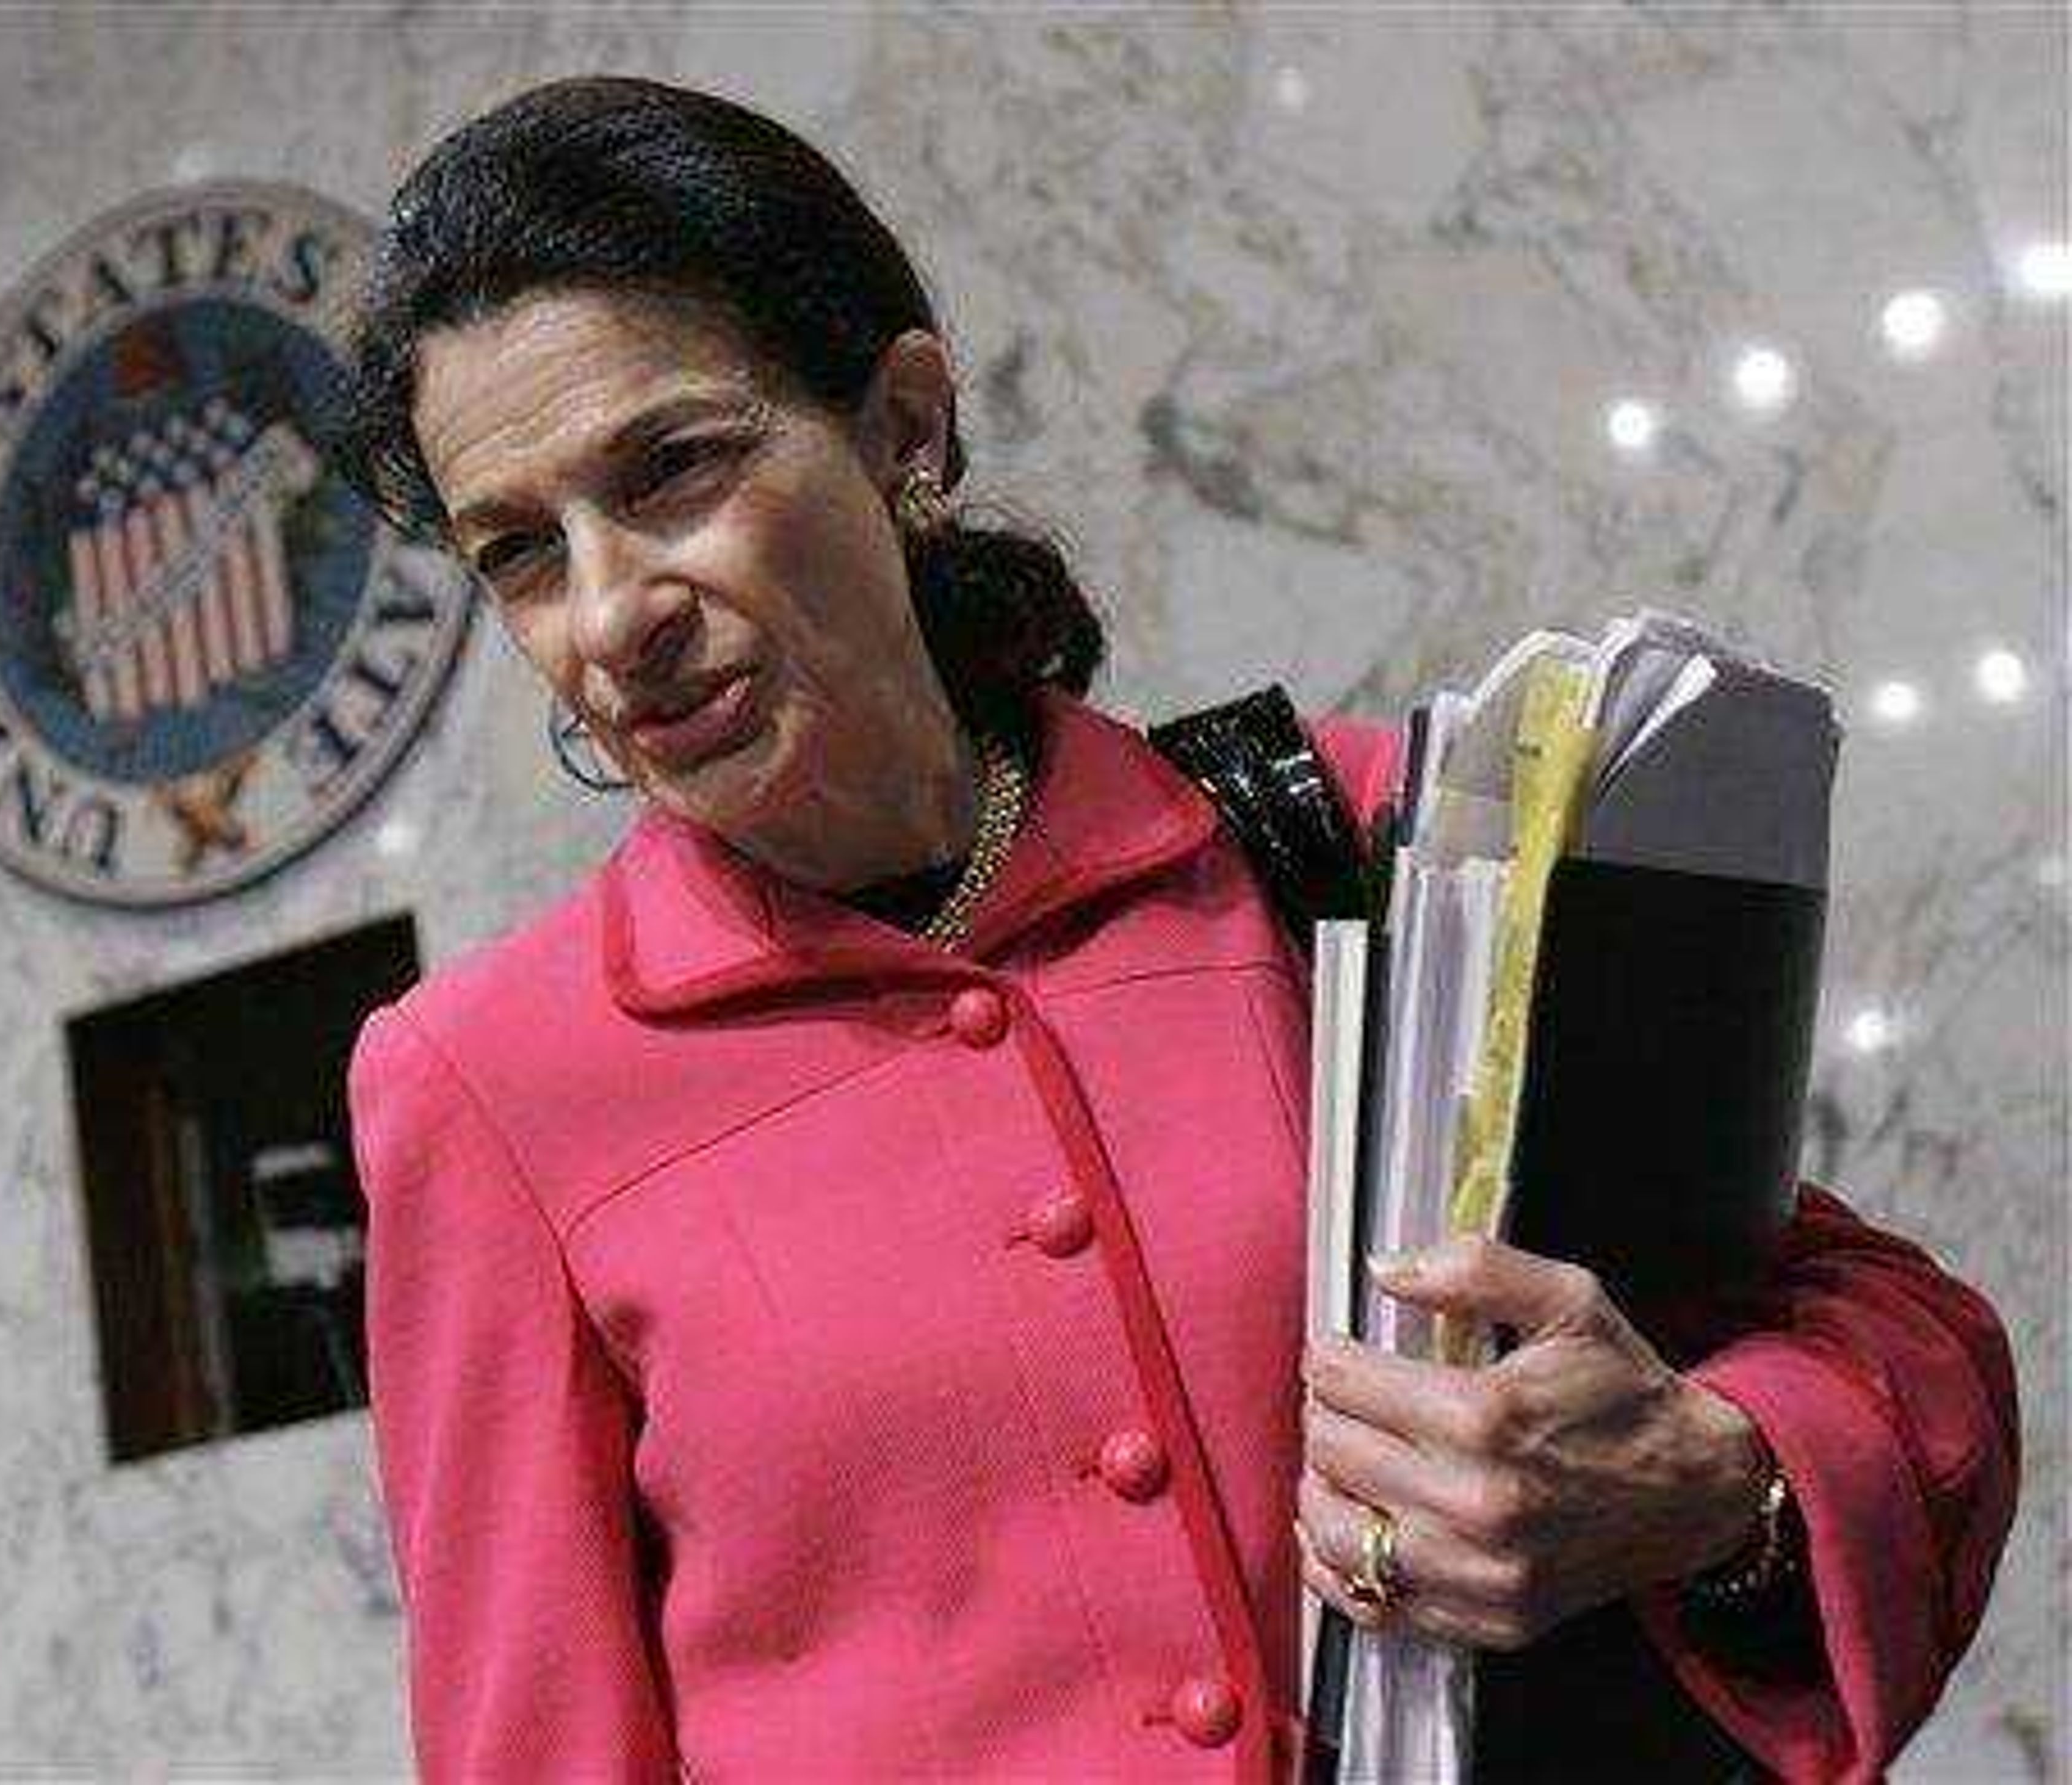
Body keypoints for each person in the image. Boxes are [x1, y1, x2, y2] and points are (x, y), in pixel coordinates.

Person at [328, 74, 2019, 1784]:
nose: (613, 613)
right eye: (524, 554)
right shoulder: (482, 1086)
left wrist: (1714, 1474)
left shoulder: (1360, 843)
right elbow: (532, 1745)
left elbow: (1889, 1334)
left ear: (904, 428)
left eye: (675, 469)